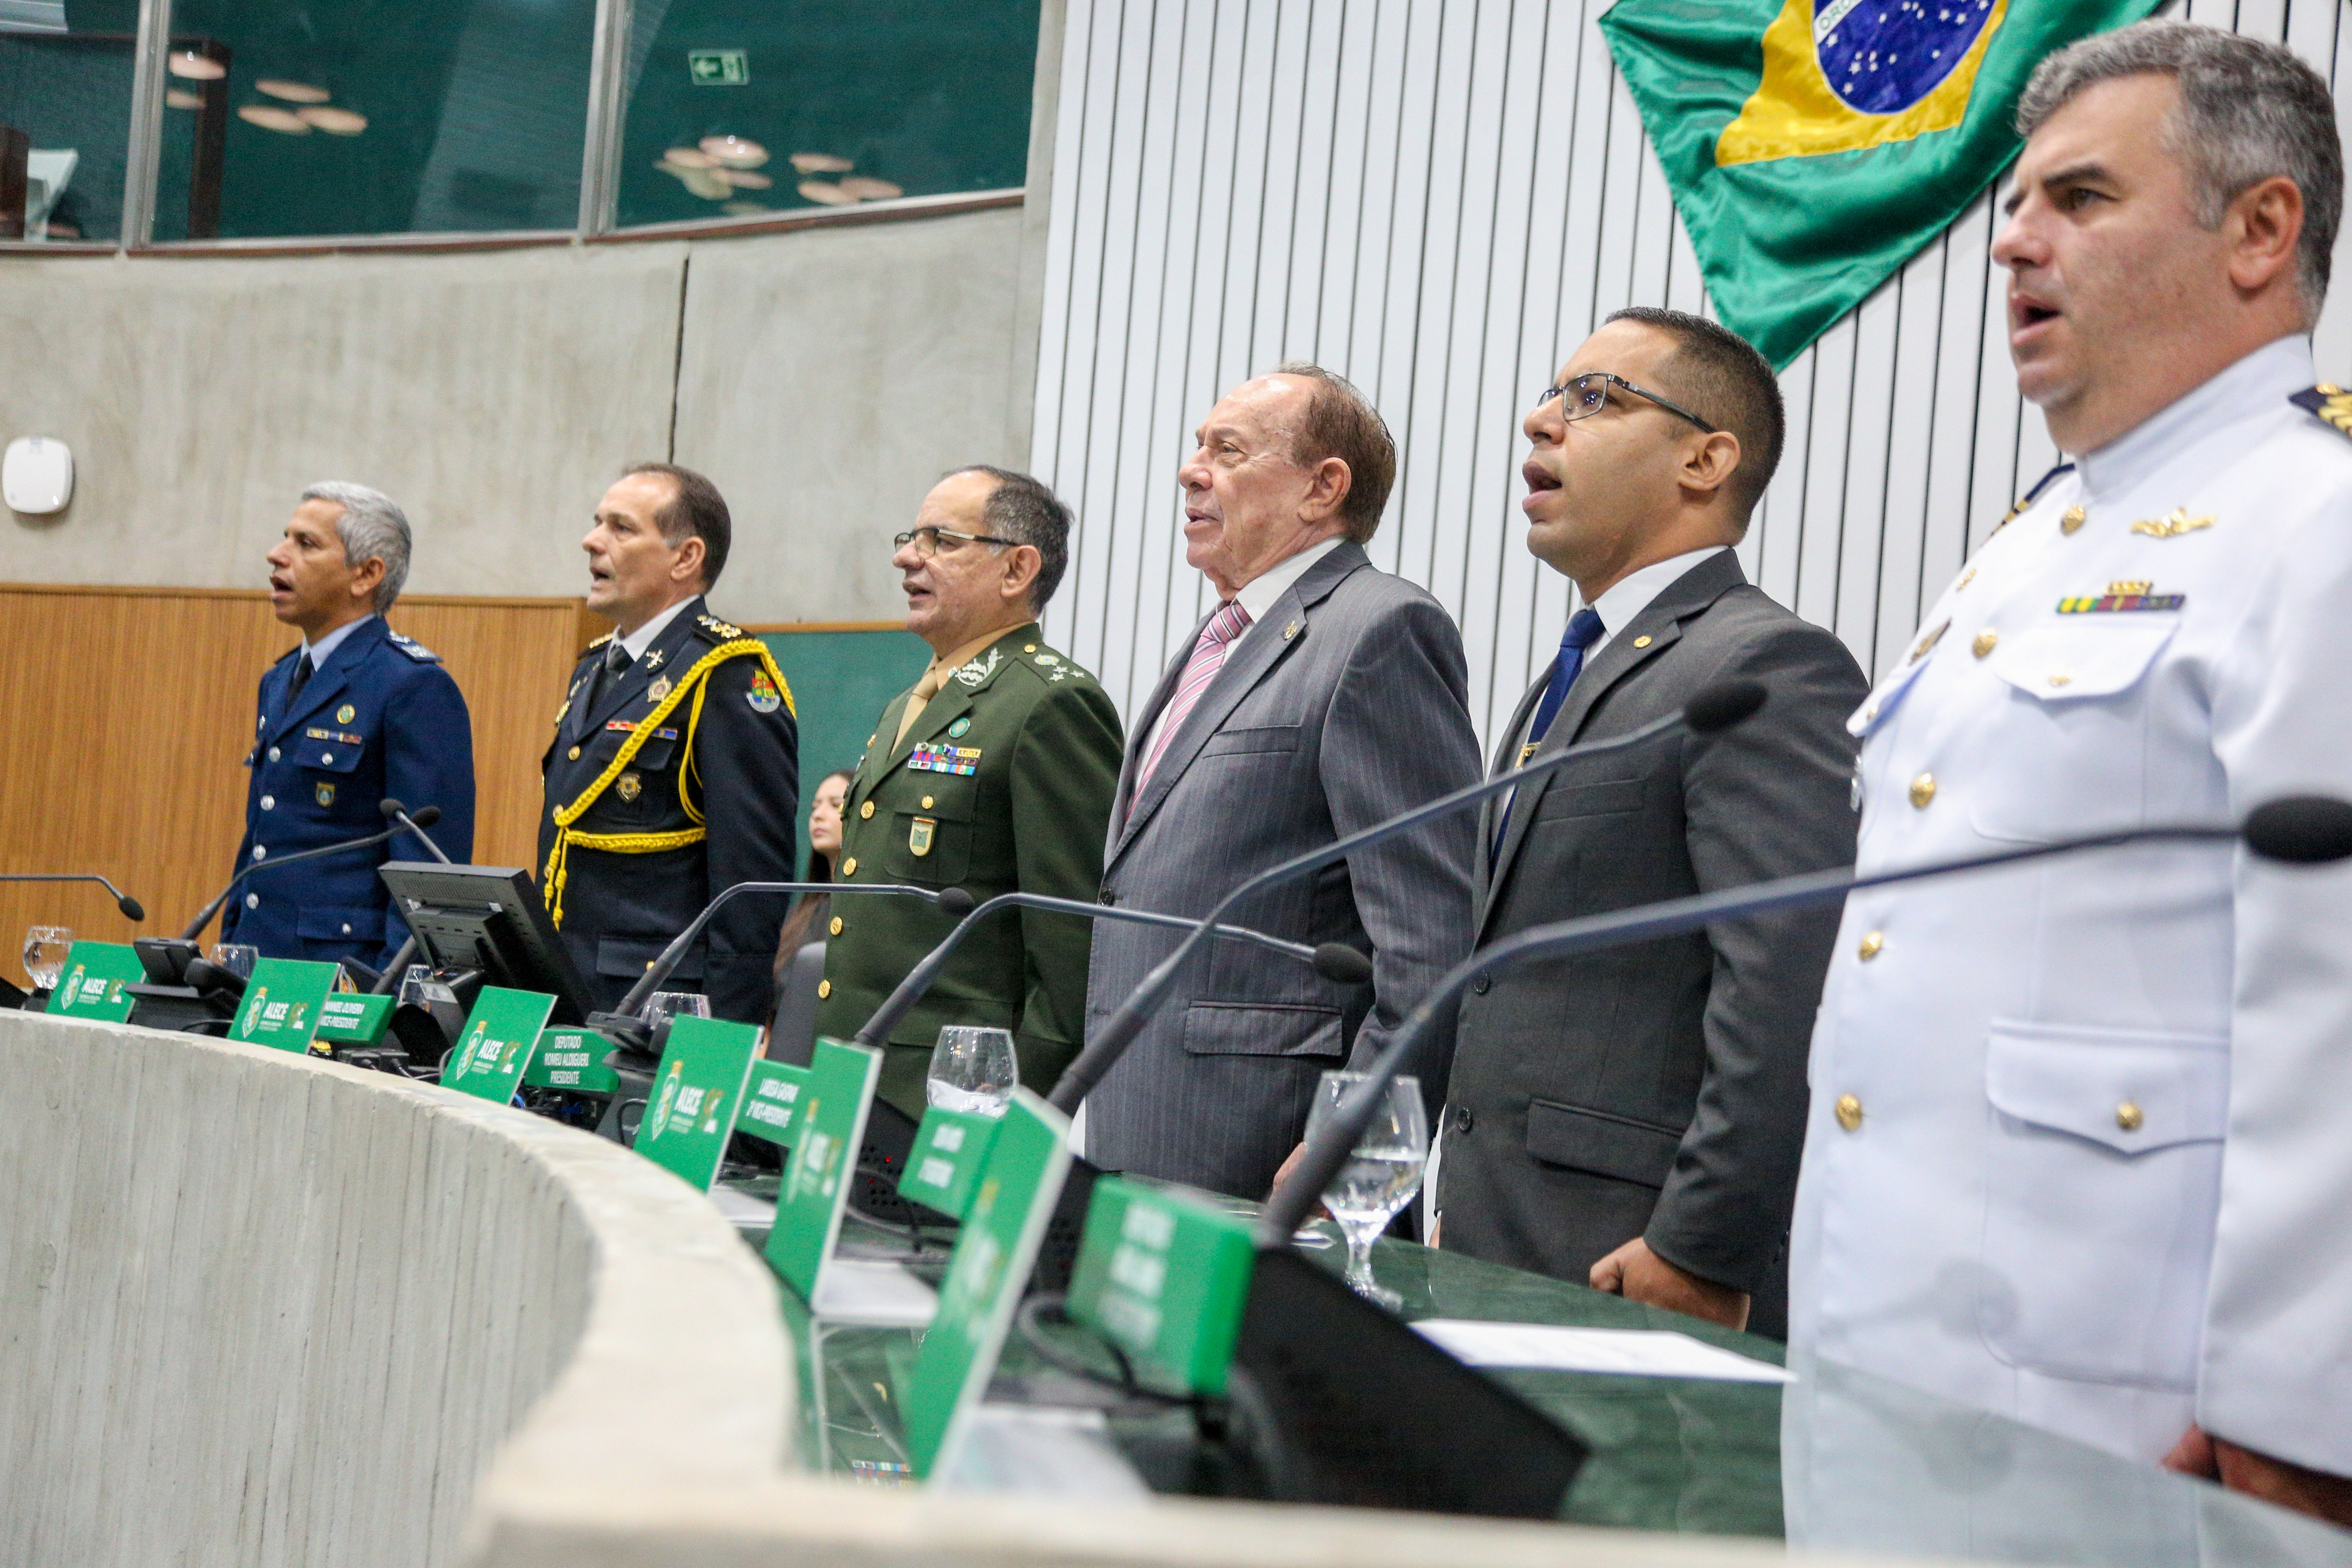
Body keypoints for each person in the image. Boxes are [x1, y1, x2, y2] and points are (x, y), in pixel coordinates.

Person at [1788, 21, 2352, 1523]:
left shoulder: (2317, 531)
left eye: (2078, 200)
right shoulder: (2030, 548)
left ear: (2258, 231)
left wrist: (2302, 1413)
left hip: (2137, 1413)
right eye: (2013, 204)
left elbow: (2336, 1003)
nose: (2011, 244)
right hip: (1889, 1361)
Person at [1436, 310, 1864, 1338]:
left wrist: (1704, 1241)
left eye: (1593, 399)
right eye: (1550, 394)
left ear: (1706, 459)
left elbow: (1782, 982)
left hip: (1631, 1250)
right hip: (1494, 1224)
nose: (1541, 422)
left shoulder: (1763, 666)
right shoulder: (1575, 669)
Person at [1084, 365, 1482, 1201]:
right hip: (1141, 1118)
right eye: (1196, 447)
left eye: (1227, 450)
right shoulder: (1214, 640)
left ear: (1321, 487)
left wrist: (1352, 1143)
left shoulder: (1377, 629)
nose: (1191, 470)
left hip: (1266, 1147)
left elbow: (1428, 939)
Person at [815, 468, 1124, 1114]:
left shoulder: (1050, 702)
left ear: (1016, 570)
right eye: (911, 537)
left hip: (948, 1100)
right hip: (851, 1075)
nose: (906, 556)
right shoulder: (911, 702)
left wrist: (1008, 1118)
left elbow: (1072, 956)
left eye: (940, 540)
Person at [538, 462, 799, 1025]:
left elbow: (749, 887)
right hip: (571, 993)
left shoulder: (725, 672)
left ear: (686, 558)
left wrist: (720, 1045)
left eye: (621, 528)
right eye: (596, 523)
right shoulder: (594, 670)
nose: (591, 540)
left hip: (658, 1008)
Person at [221, 482, 474, 972]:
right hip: (258, 962)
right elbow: (263, 836)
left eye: (306, 544)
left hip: (343, 974)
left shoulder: (412, 686)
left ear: (366, 575)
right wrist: (231, 948)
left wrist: (388, 998)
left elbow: (427, 873)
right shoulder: (279, 679)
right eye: (285, 538)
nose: (277, 555)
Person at [767, 768, 850, 1064]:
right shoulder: (805, 911)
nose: (819, 815)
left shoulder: (858, 915)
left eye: (835, 805)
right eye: (815, 807)